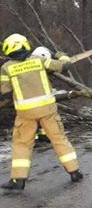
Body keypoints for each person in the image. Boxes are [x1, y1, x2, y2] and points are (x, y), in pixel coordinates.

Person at [0, 34, 82, 190]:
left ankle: (18, 180)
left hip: (25, 113)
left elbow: (5, 93)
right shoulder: (39, 60)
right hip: (48, 110)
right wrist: (60, 54)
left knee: (22, 144)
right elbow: (64, 65)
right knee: (59, 139)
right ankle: (74, 172)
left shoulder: (6, 68)